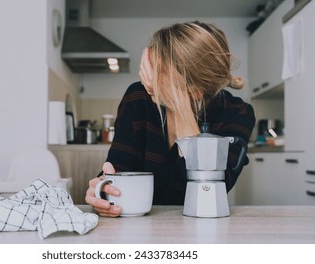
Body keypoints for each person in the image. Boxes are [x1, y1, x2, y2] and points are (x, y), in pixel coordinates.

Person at [85, 21, 256, 217]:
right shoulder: (138, 98)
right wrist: (104, 193)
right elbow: (119, 169)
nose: (149, 80)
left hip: (204, 222)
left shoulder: (237, 112)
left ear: (196, 90)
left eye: (161, 72)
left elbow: (211, 184)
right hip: (141, 224)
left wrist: (180, 107)